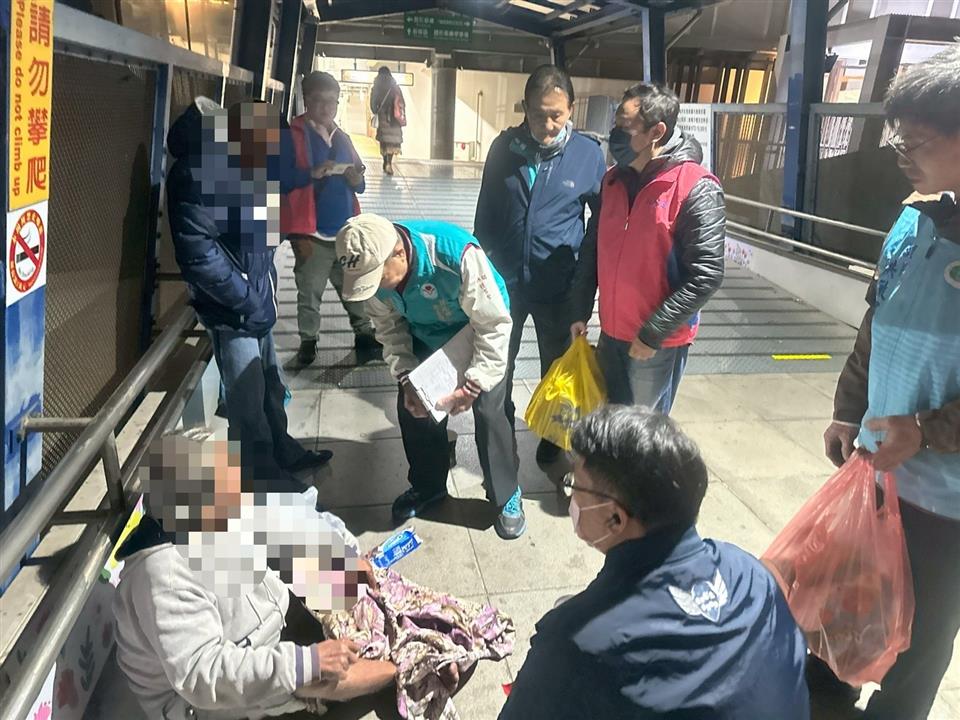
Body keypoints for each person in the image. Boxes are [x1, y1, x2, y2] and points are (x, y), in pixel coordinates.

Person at [499, 405, 810, 719]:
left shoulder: (574, 642)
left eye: (574, 486)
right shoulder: (751, 574)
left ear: (615, 518)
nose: (571, 499)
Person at [819, 42, 960, 720]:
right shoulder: (914, 219)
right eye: (898, 138)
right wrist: (849, 409)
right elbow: (878, 323)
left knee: (918, 647)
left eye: (918, 140)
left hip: (947, 508)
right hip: (876, 476)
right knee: (841, 620)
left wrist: (927, 431)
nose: (902, 154)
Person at [113, 429, 398, 720]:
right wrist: (305, 664)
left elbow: (279, 531)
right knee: (340, 676)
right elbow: (204, 676)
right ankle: (399, 671)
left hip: (262, 630)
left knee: (349, 591)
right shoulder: (164, 576)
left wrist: (339, 562)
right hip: (206, 699)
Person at [166, 97, 331, 488]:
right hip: (232, 310)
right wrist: (246, 298)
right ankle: (261, 479)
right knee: (246, 400)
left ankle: (282, 451)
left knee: (271, 387)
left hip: (256, 297)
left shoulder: (239, 161)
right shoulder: (194, 174)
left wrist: (266, 276)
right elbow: (199, 256)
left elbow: (258, 224)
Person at [334, 214, 525, 539]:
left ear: (399, 252)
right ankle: (428, 485)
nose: (375, 288)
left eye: (376, 277)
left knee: (489, 411)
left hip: (480, 329)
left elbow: (493, 324)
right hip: (425, 334)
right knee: (414, 408)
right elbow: (389, 329)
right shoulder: (377, 277)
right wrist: (406, 376)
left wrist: (472, 385)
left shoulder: (455, 254)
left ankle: (506, 492)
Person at [474, 64, 606, 464]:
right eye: (537, 114)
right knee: (498, 370)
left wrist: (583, 290)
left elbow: (599, 228)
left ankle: (553, 443)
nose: (547, 125)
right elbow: (485, 217)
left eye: (556, 115)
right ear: (525, 108)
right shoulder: (504, 148)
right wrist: (485, 275)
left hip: (559, 289)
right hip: (505, 287)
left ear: (571, 110)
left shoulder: (588, 155)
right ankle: (502, 445)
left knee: (558, 372)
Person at [571, 82, 725, 413]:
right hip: (611, 333)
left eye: (625, 127)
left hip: (655, 345)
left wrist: (652, 333)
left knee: (643, 429)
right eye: (616, 124)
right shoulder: (613, 180)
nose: (614, 135)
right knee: (610, 423)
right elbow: (593, 249)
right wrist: (579, 310)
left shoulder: (694, 187)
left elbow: (707, 274)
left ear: (657, 132)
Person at [280, 71, 380, 366]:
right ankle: (308, 341)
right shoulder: (292, 135)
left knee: (355, 286)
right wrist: (311, 173)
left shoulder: (343, 137)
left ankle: (364, 334)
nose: (326, 108)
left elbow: (360, 183)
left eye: (332, 102)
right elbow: (282, 179)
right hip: (310, 233)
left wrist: (355, 179)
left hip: (345, 231)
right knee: (309, 291)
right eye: (318, 100)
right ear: (306, 100)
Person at [370, 66, 405, 176]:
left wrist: (377, 110)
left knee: (384, 141)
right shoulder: (395, 87)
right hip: (394, 119)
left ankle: (386, 162)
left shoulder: (376, 87)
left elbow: (373, 105)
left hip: (383, 118)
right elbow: (402, 102)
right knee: (393, 142)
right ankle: (389, 162)